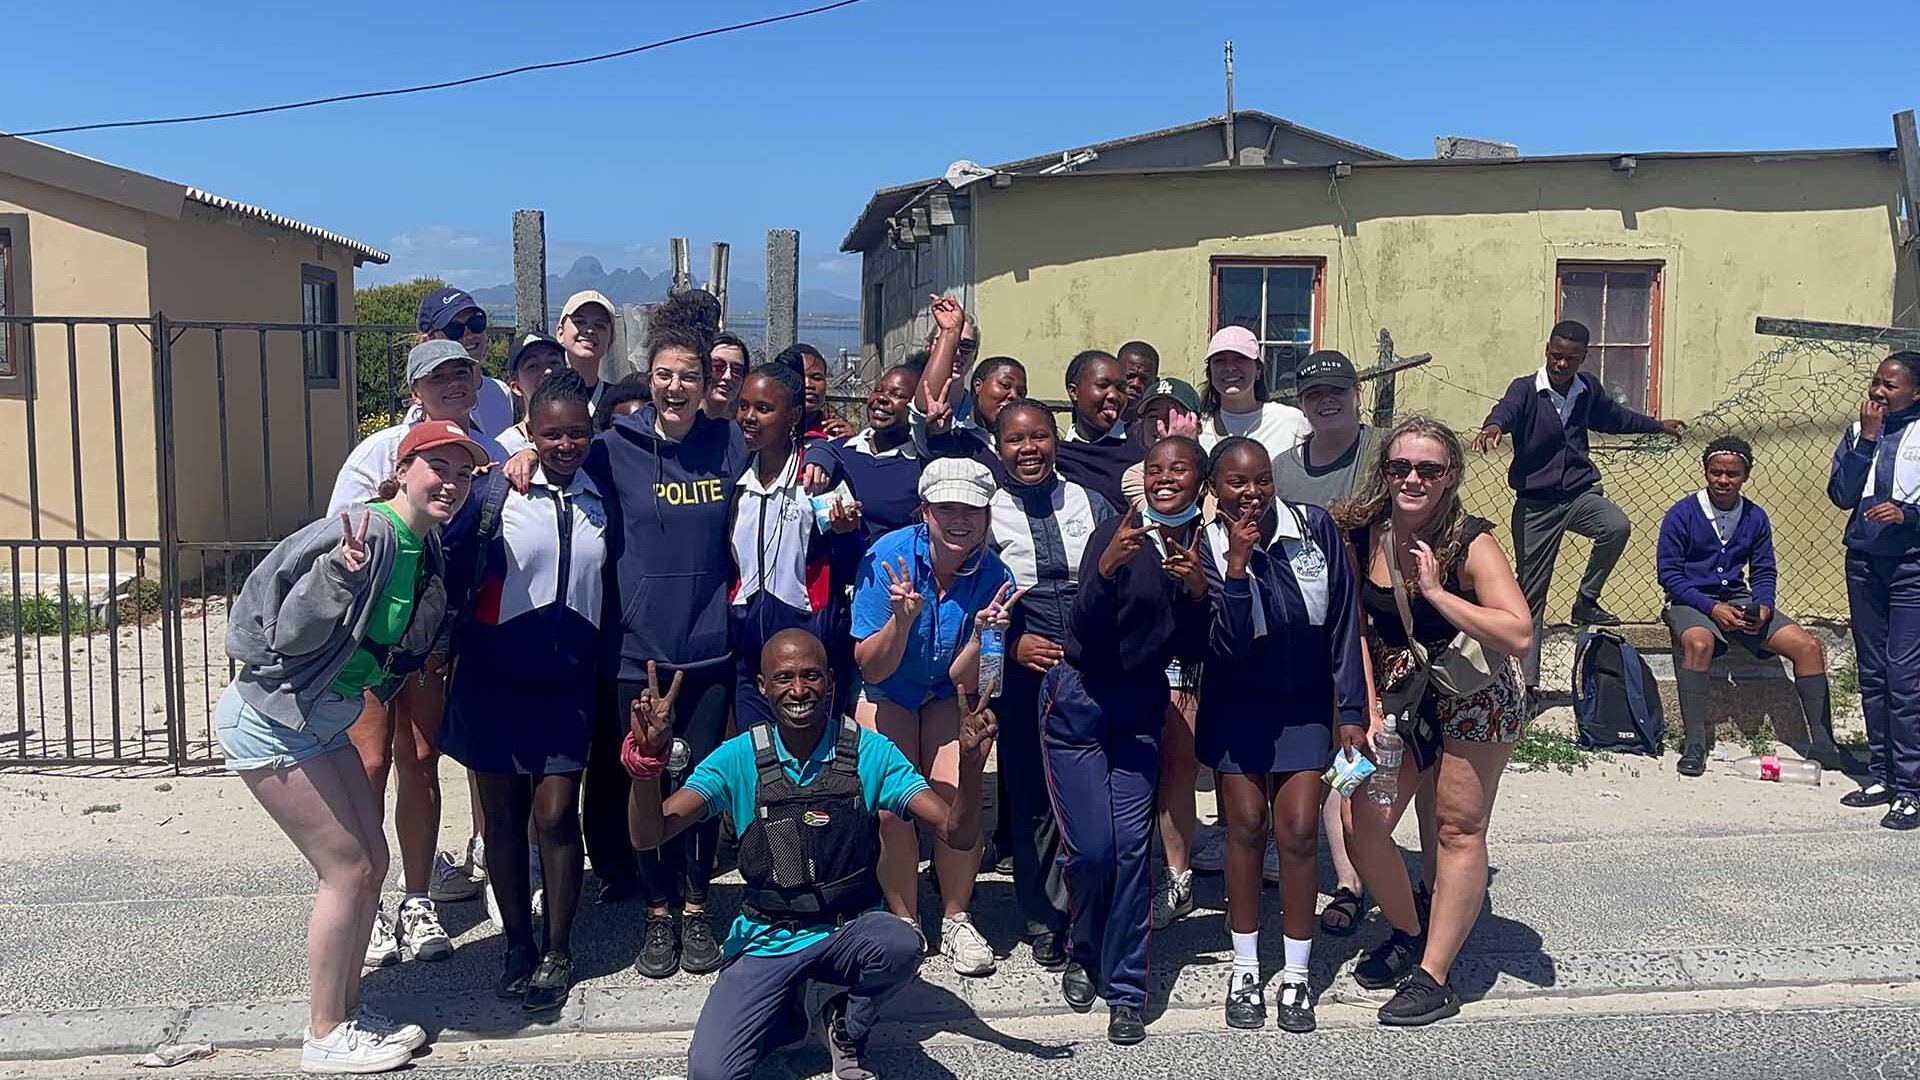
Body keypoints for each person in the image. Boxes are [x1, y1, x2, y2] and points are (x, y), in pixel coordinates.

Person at [219, 420, 484, 1072]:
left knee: (371, 861)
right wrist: (339, 575)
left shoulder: (425, 544)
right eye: (438, 467)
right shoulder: (367, 534)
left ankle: (348, 1009)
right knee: (346, 870)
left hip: (318, 720)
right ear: (405, 466)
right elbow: (288, 632)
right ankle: (324, 1033)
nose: (449, 481)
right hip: (271, 719)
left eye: (462, 471)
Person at [627, 631, 994, 1080]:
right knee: (710, 1073)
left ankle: (844, 1022)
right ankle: (787, 1011)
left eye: (810, 676)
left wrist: (972, 767)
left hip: (849, 927)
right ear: (762, 687)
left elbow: (956, 834)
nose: (798, 690)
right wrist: (647, 762)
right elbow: (651, 835)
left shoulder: (870, 752)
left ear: (830, 681)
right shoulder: (738, 757)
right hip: (768, 936)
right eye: (783, 678)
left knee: (901, 943)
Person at [519, 322, 750, 975]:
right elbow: (554, 459)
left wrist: (822, 463)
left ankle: (698, 907)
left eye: (690, 377)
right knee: (644, 780)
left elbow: (794, 461)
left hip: (708, 648)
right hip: (635, 650)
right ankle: (656, 912)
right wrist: (519, 458)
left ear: (708, 385)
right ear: (650, 379)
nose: (677, 387)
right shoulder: (613, 446)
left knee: (703, 783)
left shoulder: (726, 442)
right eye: (666, 375)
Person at [1332, 417, 1533, 1027]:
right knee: (1357, 817)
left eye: (1429, 469)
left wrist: (1440, 594)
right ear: (1383, 473)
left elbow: (1519, 632)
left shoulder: (1471, 541)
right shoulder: (1359, 533)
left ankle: (1434, 975)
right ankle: (1408, 927)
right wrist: (1363, 707)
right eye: (1400, 468)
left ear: (1450, 478)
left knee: (1456, 829)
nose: (1413, 479)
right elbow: (1354, 633)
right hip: (1395, 699)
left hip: (1474, 696)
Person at [327, 340, 508, 968]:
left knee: (423, 760)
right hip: (375, 638)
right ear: (414, 389)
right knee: (370, 765)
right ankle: (367, 899)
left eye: (465, 373)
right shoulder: (377, 453)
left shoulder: (493, 446)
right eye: (439, 376)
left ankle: (416, 897)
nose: (455, 384)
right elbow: (340, 539)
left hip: (436, 632)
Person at [438, 370, 603, 1011]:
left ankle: (559, 946)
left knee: (558, 814)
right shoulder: (495, 496)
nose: (566, 445)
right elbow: (441, 560)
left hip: (569, 682)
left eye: (578, 433)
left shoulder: (602, 491)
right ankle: (517, 944)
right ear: (528, 431)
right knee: (504, 820)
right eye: (552, 433)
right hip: (494, 678)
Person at [1041, 435, 1213, 1045]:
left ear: (1200, 482)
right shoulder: (1116, 532)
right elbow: (1081, 632)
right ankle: (1082, 947)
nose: (1168, 478)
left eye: (1182, 470)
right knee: (1092, 851)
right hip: (1081, 702)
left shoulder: (1200, 547)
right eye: (1158, 469)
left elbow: (1194, 650)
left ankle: (1125, 989)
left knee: (1134, 852)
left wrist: (1196, 592)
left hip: (1141, 707)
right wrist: (1109, 569)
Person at [1196, 437, 1366, 1034]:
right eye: (1237, 483)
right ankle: (1245, 966)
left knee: (1295, 833)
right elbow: (1228, 642)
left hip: (1305, 706)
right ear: (1214, 489)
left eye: (1262, 480)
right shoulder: (1205, 546)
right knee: (1244, 828)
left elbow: (1345, 621)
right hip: (1237, 705)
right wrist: (1238, 567)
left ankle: (1296, 972)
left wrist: (1352, 709)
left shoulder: (1313, 527)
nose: (1252, 493)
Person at [850, 457, 1022, 976]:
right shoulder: (886, 557)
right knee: (893, 806)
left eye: (971, 509)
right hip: (889, 688)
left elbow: (983, 682)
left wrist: (978, 637)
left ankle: (957, 916)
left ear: (987, 518)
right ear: (924, 512)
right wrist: (901, 624)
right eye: (946, 507)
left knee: (956, 801)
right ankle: (904, 920)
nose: (959, 519)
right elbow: (869, 663)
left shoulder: (997, 576)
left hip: (949, 693)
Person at [1472, 320, 1685, 690]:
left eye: (1570, 359)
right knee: (1530, 597)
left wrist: (1656, 425)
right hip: (1536, 505)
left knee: (1615, 526)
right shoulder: (1527, 390)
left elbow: (1615, 418)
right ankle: (1527, 685)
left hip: (1577, 495)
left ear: (1583, 358)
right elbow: (1505, 409)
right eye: (1556, 356)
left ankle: (1586, 600)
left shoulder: (1587, 390)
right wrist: (1494, 427)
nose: (1561, 365)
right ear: (1547, 352)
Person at [985, 400, 1117, 972]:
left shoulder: (1091, 501)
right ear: (998, 449)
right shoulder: (986, 512)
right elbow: (972, 599)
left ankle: (1098, 912)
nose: (1029, 449)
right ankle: (1043, 918)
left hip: (1093, 668)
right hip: (1025, 675)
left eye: (1039, 436)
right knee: (1034, 798)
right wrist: (1011, 648)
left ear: (1055, 440)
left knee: (1098, 797)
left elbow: (1123, 575)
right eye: (1016, 440)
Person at [1270, 349, 1383, 939]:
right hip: (1315, 630)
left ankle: (1391, 868)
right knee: (1337, 754)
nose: (1326, 401)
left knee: (1375, 756)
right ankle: (1348, 879)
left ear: (1356, 394)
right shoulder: (1284, 470)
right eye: (1314, 395)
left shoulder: (1383, 455)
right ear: (1301, 402)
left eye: (1336, 391)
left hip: (1385, 625)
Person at [1658, 435, 1835, 778]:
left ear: (1746, 476)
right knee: (1699, 642)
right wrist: (1711, 609)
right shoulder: (1682, 514)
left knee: (1808, 646)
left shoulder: (1755, 516)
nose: (1723, 481)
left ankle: (1825, 744)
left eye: (1732, 474)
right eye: (1716, 473)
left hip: (1739, 599)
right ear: (1705, 472)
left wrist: (1764, 606)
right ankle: (1696, 742)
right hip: (1690, 600)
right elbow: (1670, 575)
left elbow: (1764, 569)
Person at [731, 362, 863, 729]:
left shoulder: (817, 475)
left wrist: (845, 533)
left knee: (813, 760)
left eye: (763, 408)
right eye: (743, 406)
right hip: (749, 651)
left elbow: (851, 563)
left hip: (809, 643)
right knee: (758, 758)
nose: (749, 417)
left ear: (792, 414)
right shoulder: (736, 474)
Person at [1827, 350, 1920, 829]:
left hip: (1911, 565)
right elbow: (1842, 494)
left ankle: (1912, 787)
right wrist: (1865, 441)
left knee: (1904, 677)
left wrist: (1909, 515)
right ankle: (1881, 773)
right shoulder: (1860, 431)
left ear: (1916, 391)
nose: (1878, 392)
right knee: (1874, 671)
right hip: (1865, 562)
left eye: (1890, 385)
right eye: (1876, 383)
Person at [1198, 325, 1312, 465]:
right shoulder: (1199, 428)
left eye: (1240, 359)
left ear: (1258, 370)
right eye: (1219, 361)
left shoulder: (1291, 423)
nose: (1230, 368)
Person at [412, 286, 513, 436]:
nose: (468, 334)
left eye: (475, 323)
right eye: (454, 329)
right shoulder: (427, 409)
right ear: (429, 340)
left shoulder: (502, 392)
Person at [1054, 349, 1147, 511]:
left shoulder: (1141, 445)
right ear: (1074, 392)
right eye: (1102, 385)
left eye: (1120, 388)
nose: (1113, 396)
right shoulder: (1058, 455)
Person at [496, 332, 566, 457]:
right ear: (516, 387)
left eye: (554, 362)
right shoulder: (503, 448)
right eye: (533, 366)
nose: (548, 371)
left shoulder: (584, 437)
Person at [774, 343, 856, 439]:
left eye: (816, 378)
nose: (808, 385)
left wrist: (852, 443)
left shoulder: (835, 435)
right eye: (800, 377)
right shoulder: (767, 434)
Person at [556, 290, 619, 414]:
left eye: (599, 325)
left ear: (610, 341)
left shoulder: (617, 403)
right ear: (560, 333)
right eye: (580, 322)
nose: (590, 330)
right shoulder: (544, 396)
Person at [704, 331, 752, 421]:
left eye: (737, 370)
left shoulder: (745, 431)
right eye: (718, 366)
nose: (728, 376)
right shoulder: (677, 427)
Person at [1114, 341, 1161, 427]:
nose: (1135, 384)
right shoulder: (1094, 424)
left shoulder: (1157, 431)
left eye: (1144, 379)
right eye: (1130, 376)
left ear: (1155, 384)